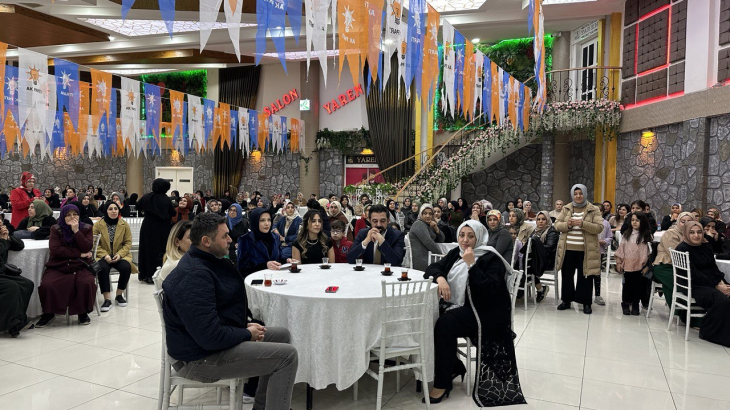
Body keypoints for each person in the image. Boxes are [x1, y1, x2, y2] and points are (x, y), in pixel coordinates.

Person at [162, 213, 299, 410]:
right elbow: (208, 336)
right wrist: (244, 333)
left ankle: (263, 406)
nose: (230, 239)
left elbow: (216, 311)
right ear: (206, 241)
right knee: (287, 356)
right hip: (197, 358)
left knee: (282, 336)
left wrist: (242, 324)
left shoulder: (208, 261)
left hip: (207, 344)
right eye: (224, 236)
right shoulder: (194, 275)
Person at [424, 220, 525, 406]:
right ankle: (451, 365)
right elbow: (431, 268)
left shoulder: (490, 258)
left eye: (471, 236)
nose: (465, 240)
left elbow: (487, 290)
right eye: (462, 235)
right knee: (427, 318)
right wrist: (440, 278)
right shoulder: (456, 252)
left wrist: (472, 265)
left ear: (479, 238)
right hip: (460, 306)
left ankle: (442, 382)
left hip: (484, 312)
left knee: (444, 324)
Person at [36, 205, 97, 327]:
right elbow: (56, 250)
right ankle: (49, 312)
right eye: (68, 215)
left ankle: (82, 312)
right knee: (48, 284)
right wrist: (79, 253)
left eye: (75, 214)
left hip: (81, 265)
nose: (72, 217)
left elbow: (87, 247)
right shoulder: (56, 229)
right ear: (63, 216)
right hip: (59, 265)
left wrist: (76, 231)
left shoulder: (86, 228)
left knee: (86, 282)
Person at [672, 221, 730, 347]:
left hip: (711, 282)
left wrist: (721, 282)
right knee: (723, 301)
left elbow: (713, 268)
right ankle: (710, 332)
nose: (696, 236)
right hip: (693, 285)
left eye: (699, 232)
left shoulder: (706, 246)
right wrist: (716, 285)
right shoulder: (682, 248)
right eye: (692, 232)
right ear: (686, 233)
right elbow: (694, 274)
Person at [554, 184, 604, 315]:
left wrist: (583, 224)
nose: (578, 196)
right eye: (575, 193)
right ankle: (566, 300)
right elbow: (557, 225)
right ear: (572, 195)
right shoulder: (566, 208)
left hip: (586, 250)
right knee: (567, 275)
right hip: (568, 249)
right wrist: (568, 225)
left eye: (580, 193)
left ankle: (586, 302)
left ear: (585, 194)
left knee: (586, 276)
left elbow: (599, 227)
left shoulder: (593, 209)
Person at [93, 202, 136, 312]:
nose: (113, 211)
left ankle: (119, 295)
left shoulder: (124, 224)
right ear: (106, 211)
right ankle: (107, 299)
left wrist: (120, 254)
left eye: (115, 209)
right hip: (103, 255)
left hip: (120, 255)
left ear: (118, 210)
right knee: (103, 268)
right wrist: (104, 255)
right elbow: (94, 244)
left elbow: (128, 243)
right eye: (110, 209)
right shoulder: (98, 225)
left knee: (126, 267)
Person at [137, 179, 176, 284]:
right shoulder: (166, 199)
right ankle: (158, 274)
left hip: (147, 227)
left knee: (147, 249)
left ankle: (146, 274)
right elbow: (172, 212)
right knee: (160, 250)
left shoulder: (147, 197)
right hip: (162, 228)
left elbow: (137, 206)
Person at [0, 218, 33, 337]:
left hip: (2, 273)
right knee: (11, 287)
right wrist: (3, 241)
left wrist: (8, 237)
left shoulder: (2, 237)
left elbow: (20, 245)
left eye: (1, 224)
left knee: (27, 283)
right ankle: (12, 323)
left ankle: (18, 320)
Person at [615, 212, 653, 315]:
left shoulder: (646, 235)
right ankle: (626, 304)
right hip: (627, 265)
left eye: (637, 220)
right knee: (627, 286)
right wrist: (619, 262)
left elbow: (649, 253)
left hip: (639, 266)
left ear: (642, 221)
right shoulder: (627, 234)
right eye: (632, 220)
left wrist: (646, 266)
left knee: (638, 287)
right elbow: (621, 249)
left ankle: (636, 304)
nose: (634, 222)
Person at [237, 208, 286, 276]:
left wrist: (287, 261)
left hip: (276, 277)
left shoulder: (275, 237)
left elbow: (280, 258)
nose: (267, 223)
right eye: (262, 220)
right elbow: (242, 268)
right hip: (256, 280)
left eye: (269, 220)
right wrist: (264, 265)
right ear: (255, 222)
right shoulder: (245, 239)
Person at [523, 211, 559, 302]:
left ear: (547, 220)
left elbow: (550, 248)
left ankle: (539, 289)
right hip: (536, 259)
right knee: (522, 262)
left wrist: (536, 247)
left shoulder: (552, 231)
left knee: (527, 266)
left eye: (543, 219)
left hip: (548, 260)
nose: (541, 221)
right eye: (538, 219)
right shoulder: (535, 231)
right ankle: (536, 288)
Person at [408, 204, 445, 271]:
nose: (428, 216)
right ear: (421, 214)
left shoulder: (428, 225)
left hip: (429, 257)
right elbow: (428, 242)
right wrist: (441, 254)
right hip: (423, 260)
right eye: (425, 213)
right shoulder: (418, 224)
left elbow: (442, 239)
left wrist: (436, 229)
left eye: (430, 214)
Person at [595, 217, 613, 306]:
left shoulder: (605, 223)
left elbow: (610, 237)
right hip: (586, 250)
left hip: (599, 251)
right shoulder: (587, 221)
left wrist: (604, 241)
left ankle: (597, 295)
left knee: (597, 273)